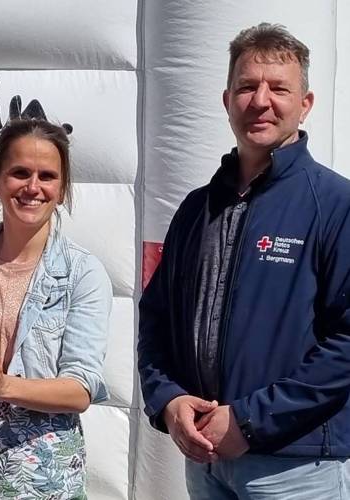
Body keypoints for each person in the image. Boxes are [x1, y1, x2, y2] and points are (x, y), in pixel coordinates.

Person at [138, 23, 350, 498]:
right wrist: (168, 400)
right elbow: (156, 318)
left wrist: (251, 420)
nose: (260, 101)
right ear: (227, 100)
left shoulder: (336, 205)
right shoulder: (197, 209)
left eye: (279, 88)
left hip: (296, 469)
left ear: (306, 103)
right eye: (247, 86)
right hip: (206, 464)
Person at [0, 118, 111, 499]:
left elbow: (80, 388)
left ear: (62, 189)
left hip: (42, 479)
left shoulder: (82, 273)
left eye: (47, 176)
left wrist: (2, 386)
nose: (33, 187)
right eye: (20, 173)